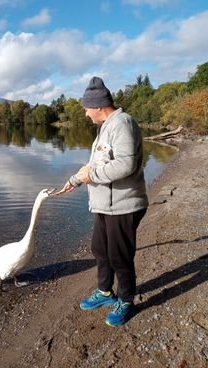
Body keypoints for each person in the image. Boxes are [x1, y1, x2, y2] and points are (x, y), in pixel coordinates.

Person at [57, 76, 148, 326]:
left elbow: (126, 164)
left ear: (98, 106)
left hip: (122, 204)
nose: (86, 114)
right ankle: (106, 292)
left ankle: (127, 301)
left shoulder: (122, 123)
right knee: (100, 249)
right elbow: (94, 164)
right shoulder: (105, 128)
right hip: (104, 205)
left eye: (87, 109)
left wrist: (92, 176)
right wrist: (75, 180)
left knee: (120, 256)